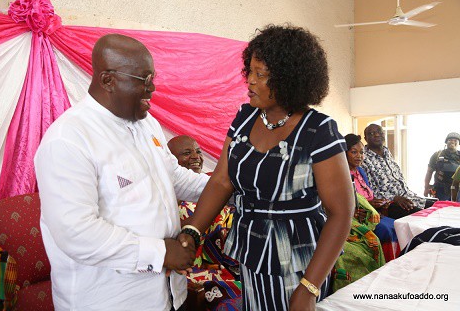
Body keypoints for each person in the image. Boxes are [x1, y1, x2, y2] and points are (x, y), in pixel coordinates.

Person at [177, 24, 354, 311]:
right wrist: (193, 230)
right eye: (250, 71)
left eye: (261, 74)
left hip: (299, 262)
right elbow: (222, 181)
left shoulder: (319, 130)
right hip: (252, 250)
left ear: (289, 80)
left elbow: (341, 212)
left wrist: (309, 287)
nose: (250, 81)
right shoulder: (244, 118)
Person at [34, 34, 209, 311]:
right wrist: (161, 253)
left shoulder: (146, 123)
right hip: (112, 300)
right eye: (144, 80)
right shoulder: (68, 139)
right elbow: (76, 233)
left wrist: (228, 187)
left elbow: (172, 176)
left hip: (168, 295)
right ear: (108, 81)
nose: (152, 89)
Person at [168, 135, 241, 310]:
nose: (196, 157)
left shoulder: (214, 183)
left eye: (198, 152)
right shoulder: (168, 197)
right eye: (187, 153)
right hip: (190, 271)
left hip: (227, 266)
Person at [343, 134, 399, 261]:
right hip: (358, 218)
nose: (359, 156)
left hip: (374, 214)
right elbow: (351, 203)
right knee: (386, 230)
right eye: (354, 152)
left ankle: (395, 261)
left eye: (362, 152)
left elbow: (369, 196)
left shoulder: (361, 172)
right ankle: (385, 264)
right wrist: (370, 206)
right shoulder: (343, 175)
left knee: (397, 225)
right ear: (344, 153)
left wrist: (380, 204)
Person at [361, 124, 425, 219]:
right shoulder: (363, 158)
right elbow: (371, 191)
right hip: (389, 203)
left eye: (379, 132)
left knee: (438, 208)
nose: (377, 135)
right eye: (372, 133)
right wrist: (395, 198)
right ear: (366, 138)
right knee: (424, 218)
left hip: (408, 196)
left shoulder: (387, 152)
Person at [424, 132, 460, 200]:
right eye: (450, 140)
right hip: (440, 190)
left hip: (457, 191)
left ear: (459, 143)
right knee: (440, 209)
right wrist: (426, 188)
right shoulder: (437, 155)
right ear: (446, 142)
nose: (452, 142)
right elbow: (429, 172)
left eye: (455, 140)